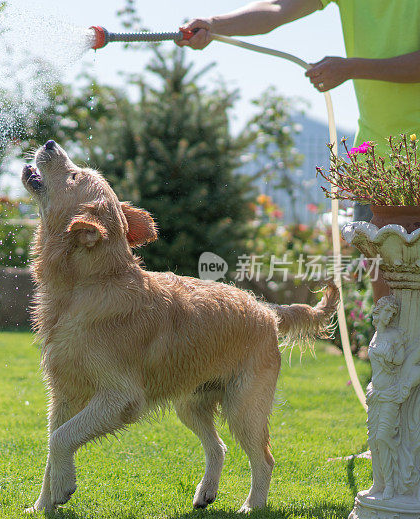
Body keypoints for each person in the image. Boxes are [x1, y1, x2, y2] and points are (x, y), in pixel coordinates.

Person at [177, 0, 420, 301]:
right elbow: (278, 7)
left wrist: (351, 67)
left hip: (413, 161)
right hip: (374, 161)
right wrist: (215, 24)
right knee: (389, 309)